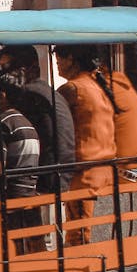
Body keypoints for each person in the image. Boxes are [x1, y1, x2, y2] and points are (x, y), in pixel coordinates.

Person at [0, 45, 75, 193]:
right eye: (1, 69)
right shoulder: (46, 91)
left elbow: (19, 135)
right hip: (62, 174)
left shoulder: (29, 95)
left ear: (28, 68)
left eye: (7, 68)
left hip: (47, 178)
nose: (3, 75)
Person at [54, 44, 116, 246]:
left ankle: (79, 264)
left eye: (59, 60)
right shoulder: (97, 86)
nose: (57, 64)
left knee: (78, 232)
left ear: (71, 59)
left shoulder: (72, 89)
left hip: (83, 170)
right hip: (101, 167)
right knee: (80, 228)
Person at [0, 75, 44, 254]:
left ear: (1, 96)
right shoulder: (25, 122)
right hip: (29, 194)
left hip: (10, 198)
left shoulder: (1, 123)